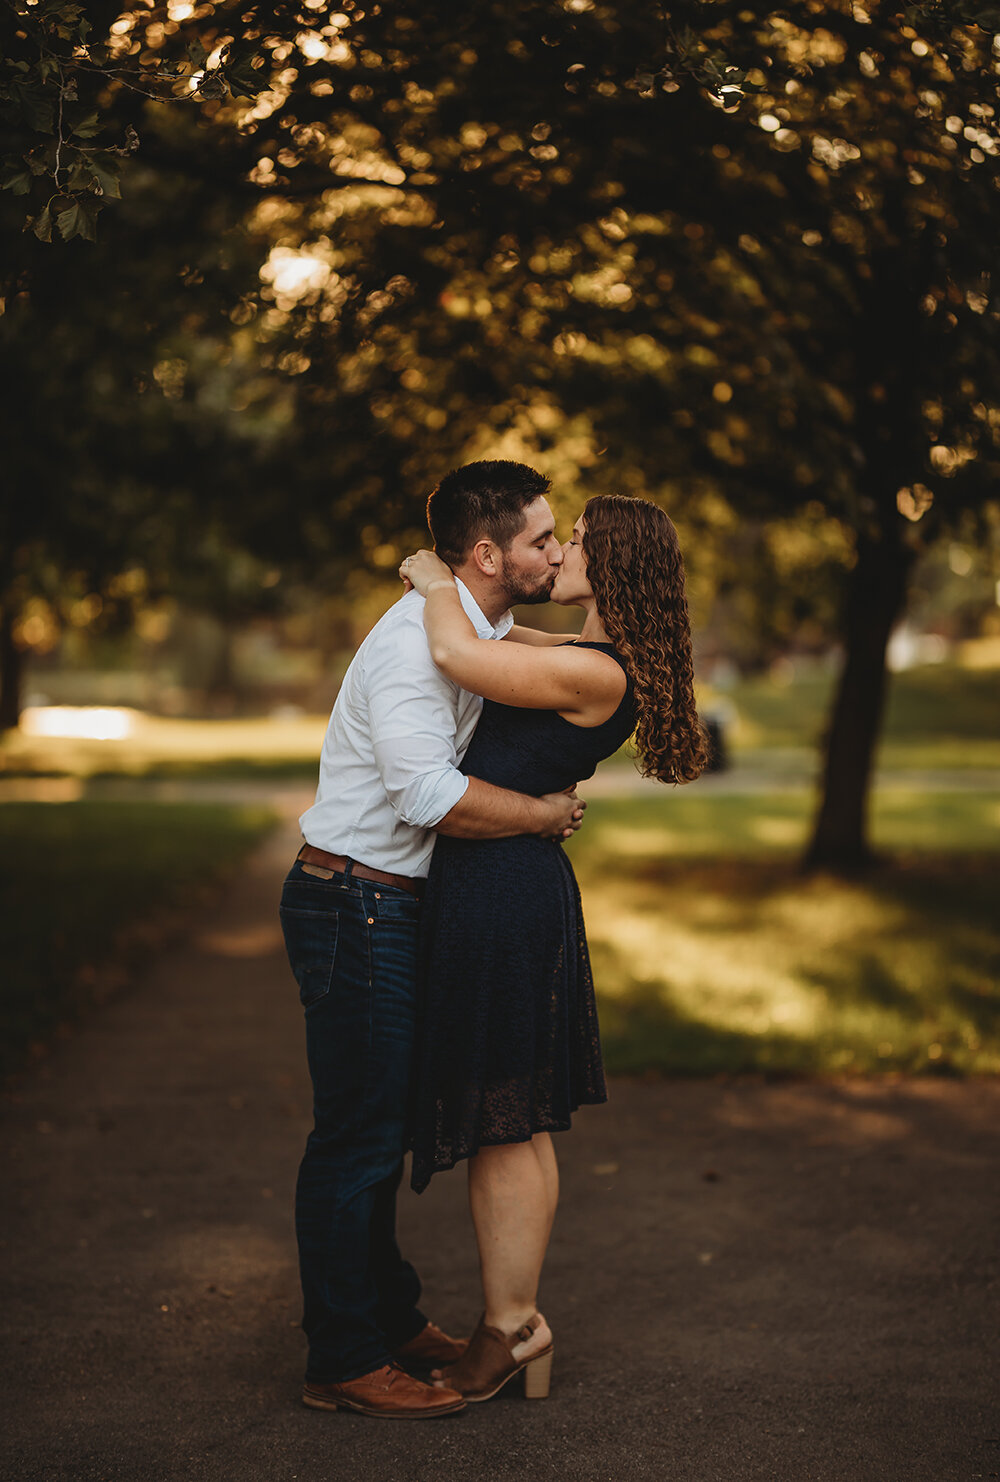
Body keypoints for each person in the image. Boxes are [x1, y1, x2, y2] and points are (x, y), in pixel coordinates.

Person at [278, 460, 587, 1419]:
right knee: (357, 1138)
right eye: (542, 538)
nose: (555, 549)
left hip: (387, 905)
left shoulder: (474, 623)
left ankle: (389, 1316)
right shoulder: (421, 640)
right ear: (489, 553)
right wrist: (538, 816)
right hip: (354, 903)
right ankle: (343, 1357)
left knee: (381, 1124)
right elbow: (425, 794)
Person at [399, 493, 707, 1404]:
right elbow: (504, 645)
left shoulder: (598, 675)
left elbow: (459, 652)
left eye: (574, 539)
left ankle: (508, 1330)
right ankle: (516, 1317)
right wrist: (478, 606)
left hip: (503, 896)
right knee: (515, 1120)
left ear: (612, 563)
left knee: (504, 1122)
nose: (560, 549)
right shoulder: (585, 658)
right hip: (508, 887)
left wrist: (432, 580)